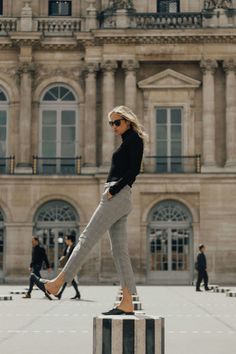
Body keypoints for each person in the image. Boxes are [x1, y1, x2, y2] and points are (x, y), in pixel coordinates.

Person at [33, 105, 147, 315]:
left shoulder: (135, 140)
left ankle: (58, 283)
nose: (113, 127)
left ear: (128, 121)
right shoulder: (127, 141)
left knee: (86, 239)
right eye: (111, 123)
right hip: (116, 196)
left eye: (117, 122)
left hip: (117, 196)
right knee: (119, 251)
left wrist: (113, 190)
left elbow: (133, 172)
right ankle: (128, 301)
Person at [55, 234, 81, 300]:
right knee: (71, 281)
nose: (65, 240)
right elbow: (65, 255)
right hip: (67, 265)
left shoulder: (74, 247)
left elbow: (75, 257)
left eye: (66, 239)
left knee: (67, 280)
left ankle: (60, 294)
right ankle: (78, 294)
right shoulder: (67, 247)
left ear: (69, 240)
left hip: (71, 266)